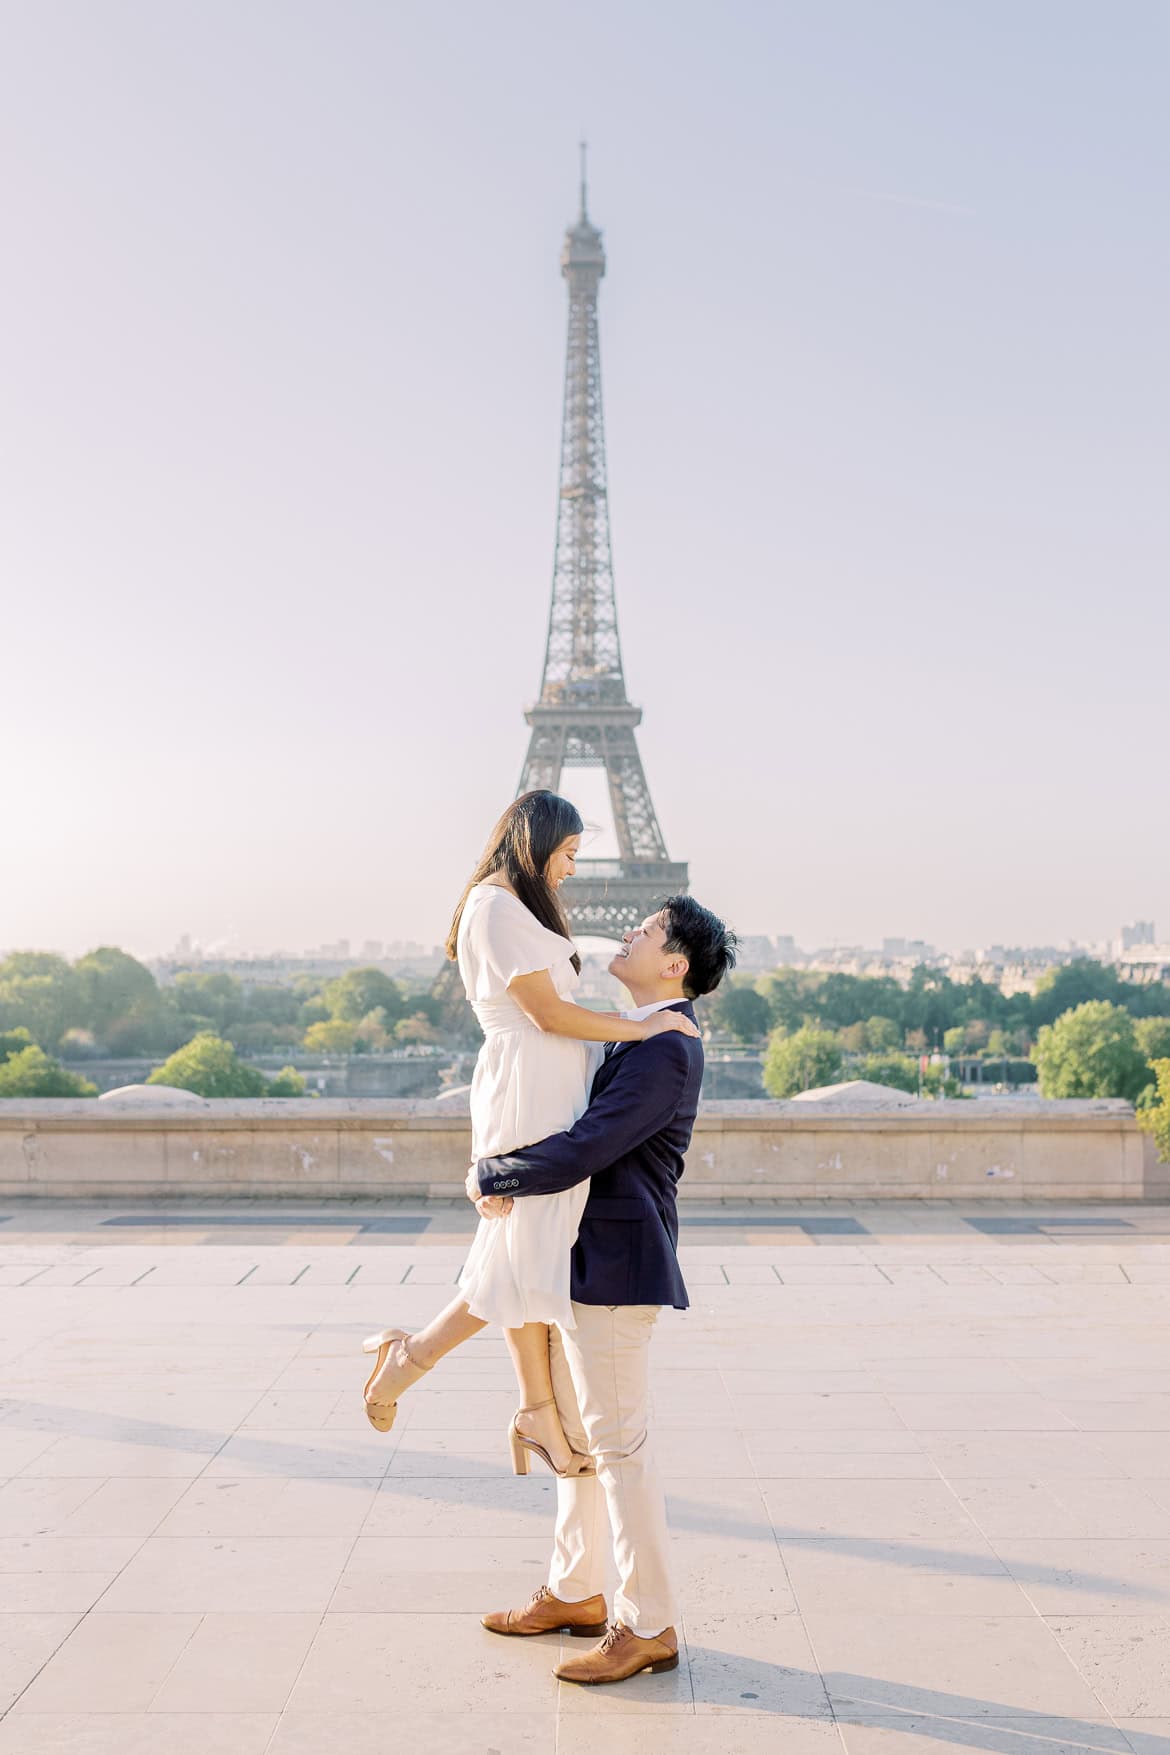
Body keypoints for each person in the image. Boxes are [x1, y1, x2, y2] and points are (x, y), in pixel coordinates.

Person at [360, 790, 699, 1477]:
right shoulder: (495, 906)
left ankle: (486, 1389)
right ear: (536, 840)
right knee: (523, 1247)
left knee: (524, 1252)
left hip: (546, 1089)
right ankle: (496, 1394)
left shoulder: (511, 907)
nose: (572, 868)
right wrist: (636, 1026)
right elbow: (545, 1012)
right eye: (569, 853)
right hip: (526, 1087)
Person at [475, 895, 737, 1685]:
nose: (630, 933)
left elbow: (592, 1143)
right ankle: (575, 1589)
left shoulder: (666, 1045)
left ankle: (648, 1621)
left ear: (674, 963)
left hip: (619, 1268)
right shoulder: (641, 1036)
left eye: (648, 930)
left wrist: (497, 1170)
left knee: (619, 1449)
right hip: (592, 1260)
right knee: (587, 1448)